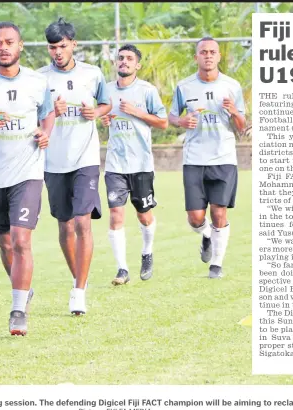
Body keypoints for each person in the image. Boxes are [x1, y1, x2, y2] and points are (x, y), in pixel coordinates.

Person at [0, 22, 54, 336]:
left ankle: (18, 310)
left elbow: (48, 114)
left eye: (9, 42)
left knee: (21, 241)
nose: (3, 47)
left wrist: (46, 134)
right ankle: (23, 289)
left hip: (28, 174)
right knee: (5, 243)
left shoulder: (37, 81)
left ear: (20, 46)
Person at [37, 18, 111, 315]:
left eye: (63, 46)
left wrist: (97, 110)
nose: (57, 52)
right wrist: (49, 113)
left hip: (86, 159)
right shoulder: (38, 79)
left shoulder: (92, 74)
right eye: (53, 47)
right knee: (65, 224)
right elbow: (32, 116)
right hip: (53, 161)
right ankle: (78, 278)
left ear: (73, 44)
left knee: (83, 222)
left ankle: (78, 292)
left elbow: (106, 104)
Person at [169, 37, 246, 279]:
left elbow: (242, 126)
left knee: (219, 212)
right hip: (194, 159)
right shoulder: (184, 87)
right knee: (196, 218)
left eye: (213, 52)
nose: (208, 56)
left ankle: (216, 265)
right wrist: (182, 121)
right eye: (204, 52)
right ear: (196, 57)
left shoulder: (232, 86)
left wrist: (234, 112)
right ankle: (205, 236)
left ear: (219, 56)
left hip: (223, 157)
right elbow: (171, 117)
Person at [99, 44, 168, 285]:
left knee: (144, 216)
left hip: (141, 165)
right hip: (115, 164)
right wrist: (105, 119)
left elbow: (163, 123)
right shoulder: (106, 91)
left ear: (137, 65)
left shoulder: (147, 91)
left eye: (129, 59)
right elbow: (103, 117)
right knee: (116, 215)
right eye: (120, 58)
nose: (124, 62)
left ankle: (147, 252)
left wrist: (137, 112)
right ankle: (122, 269)